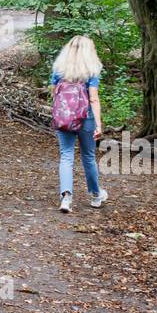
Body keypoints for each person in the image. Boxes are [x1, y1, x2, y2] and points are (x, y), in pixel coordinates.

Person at [51, 35, 108, 211]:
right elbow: (93, 99)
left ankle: (66, 198)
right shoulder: (91, 70)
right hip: (86, 118)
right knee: (89, 157)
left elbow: (55, 95)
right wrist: (98, 125)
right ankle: (96, 195)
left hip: (64, 117)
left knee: (66, 156)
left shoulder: (59, 70)